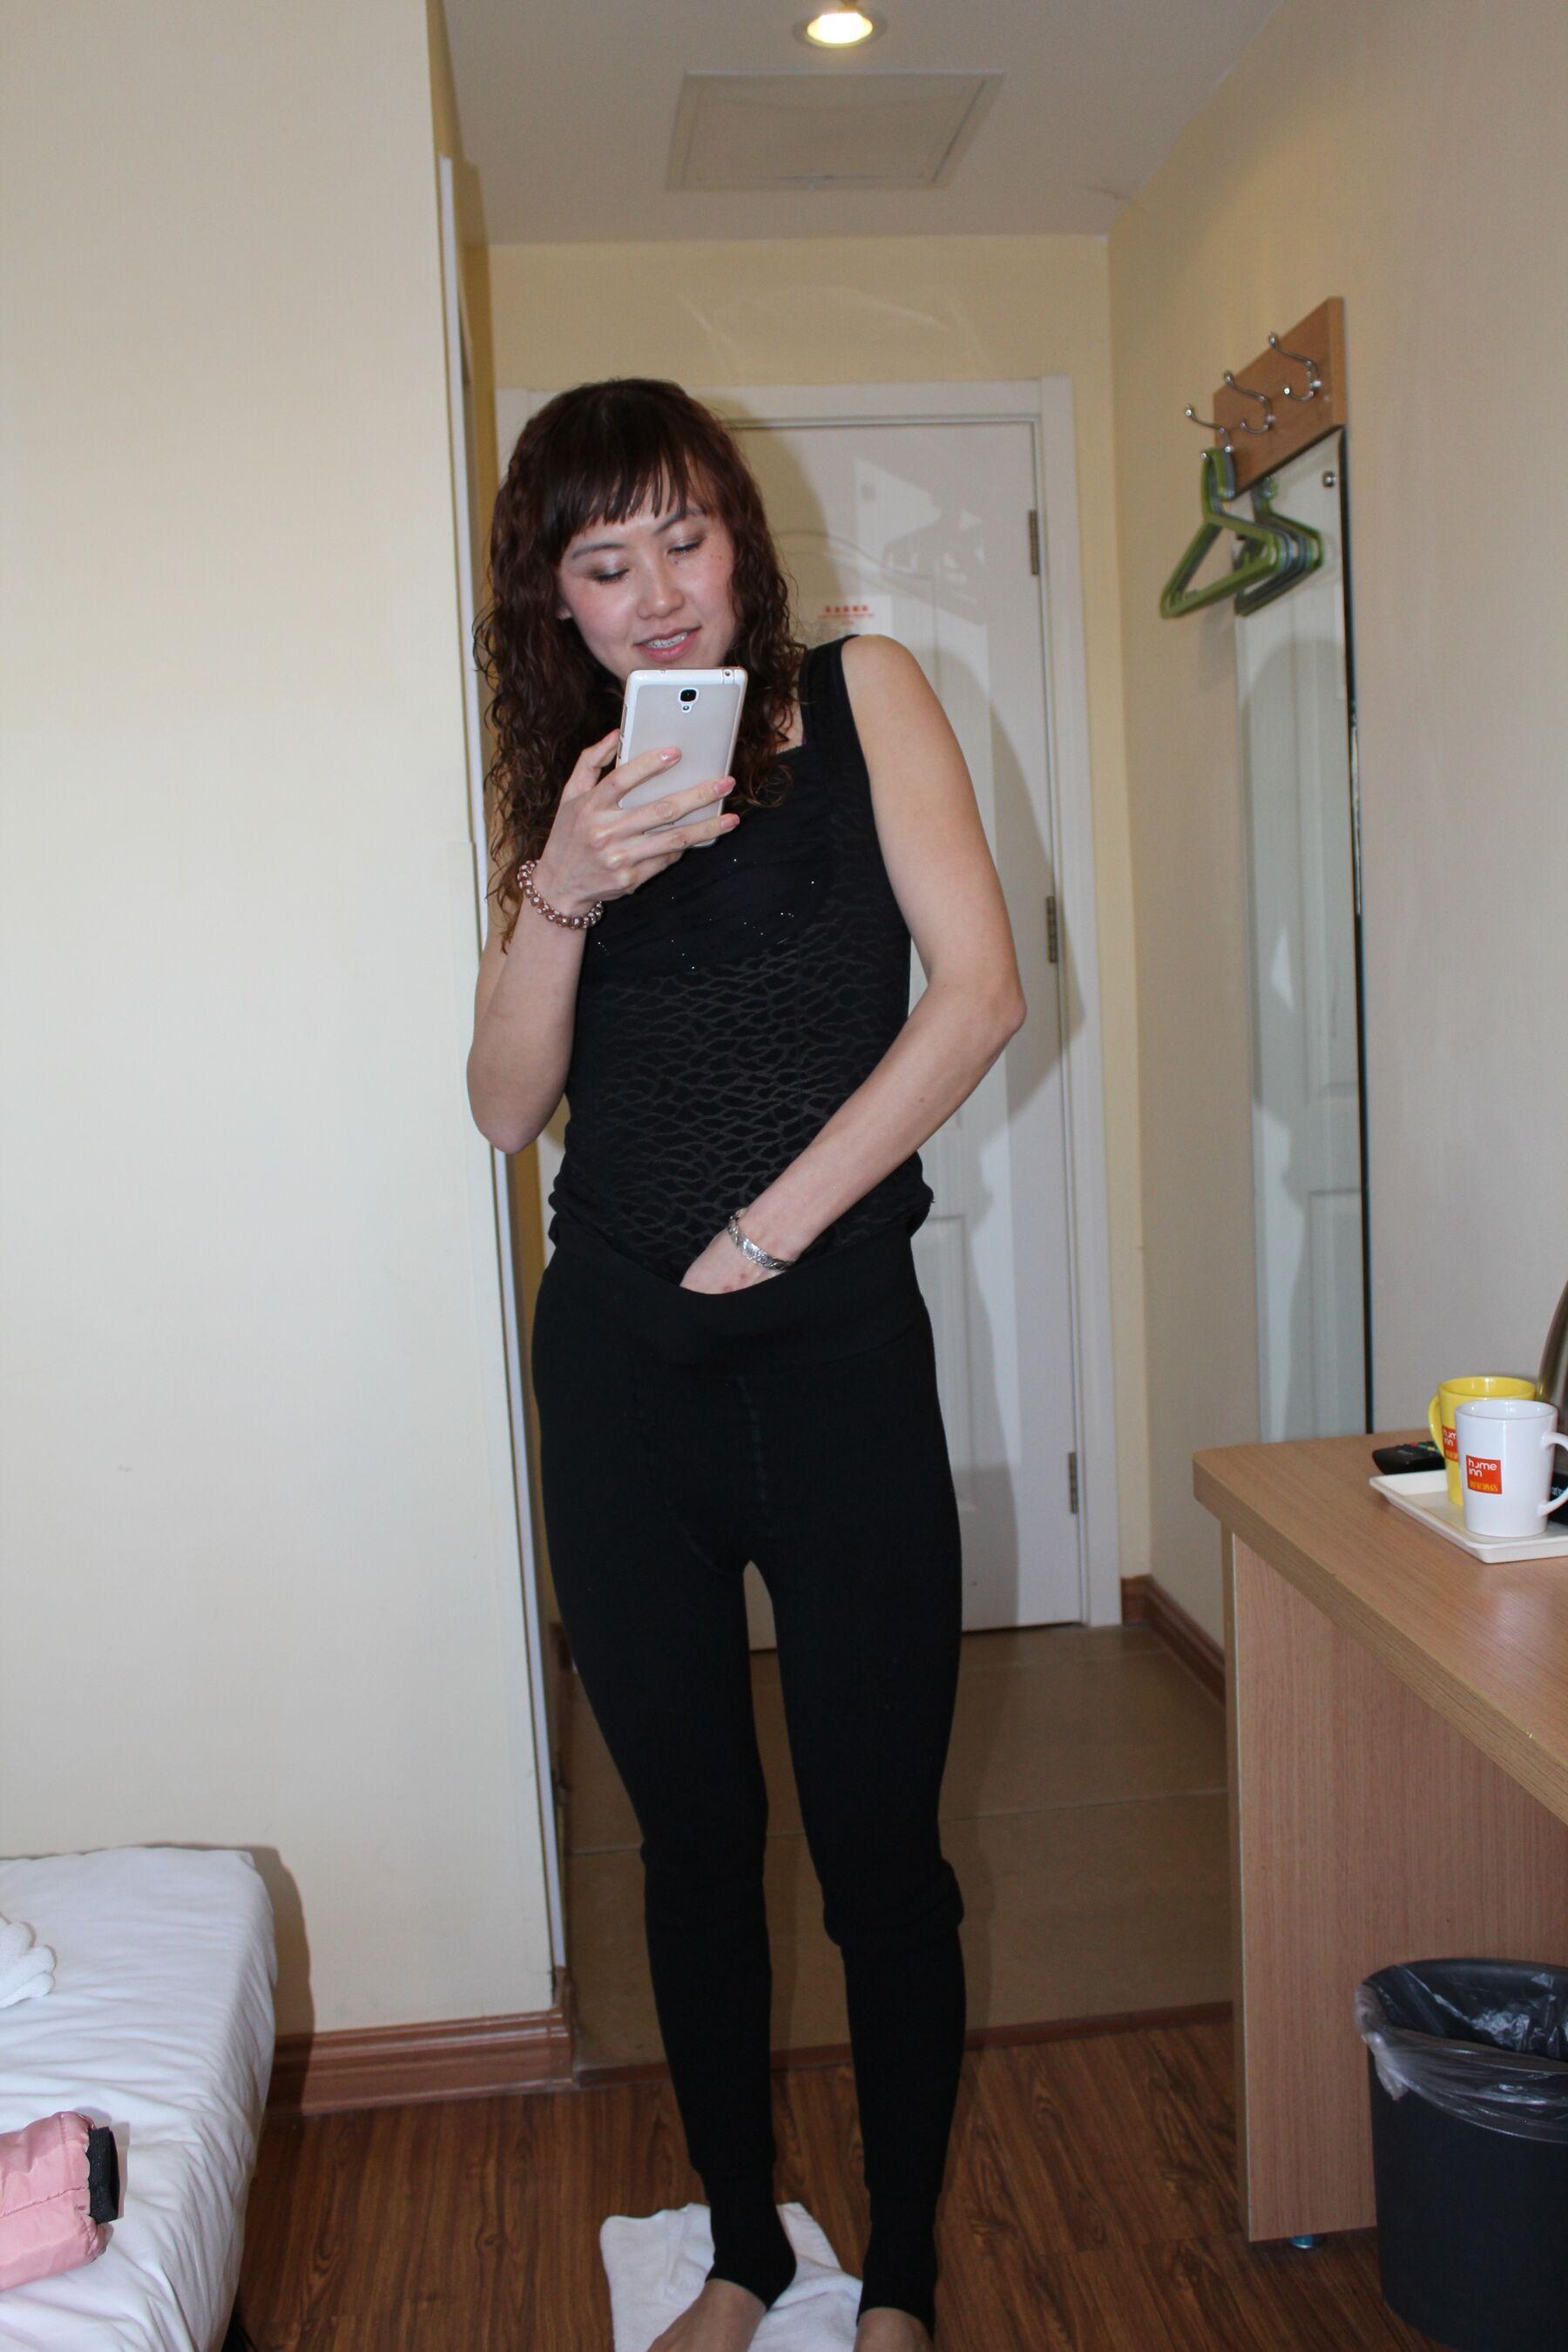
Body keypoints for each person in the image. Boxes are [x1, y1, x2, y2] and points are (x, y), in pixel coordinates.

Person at [467, 377, 1026, 2352]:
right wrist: (565, 886)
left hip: (838, 1352)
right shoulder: (566, 789)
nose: (658, 595)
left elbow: (979, 994)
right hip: (622, 1378)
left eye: (684, 539)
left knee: (882, 1855)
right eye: (604, 565)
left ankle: (905, 2276)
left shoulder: (865, 695)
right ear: (555, 600)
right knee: (693, 1847)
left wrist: (775, 1226)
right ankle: (742, 2248)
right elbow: (501, 1105)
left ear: (741, 534)